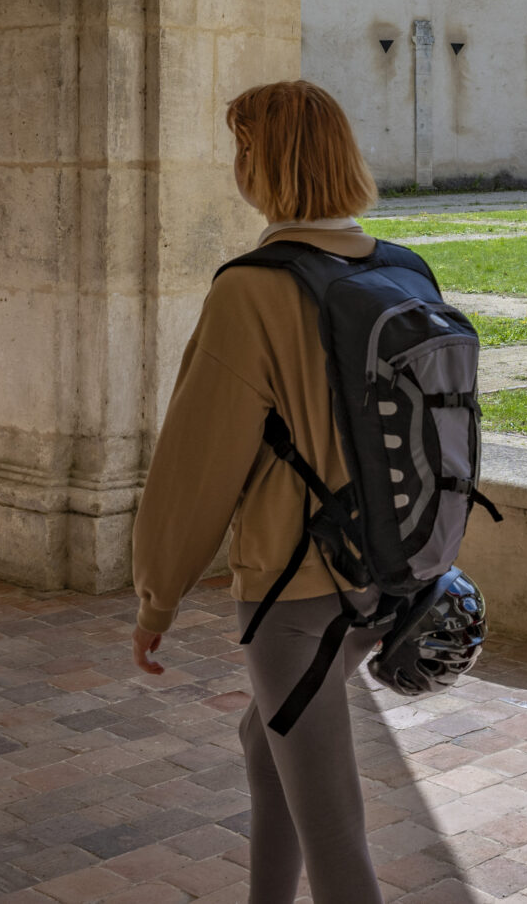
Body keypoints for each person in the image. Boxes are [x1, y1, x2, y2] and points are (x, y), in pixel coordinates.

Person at [129, 81, 391, 904]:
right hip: (389, 574)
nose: (235, 163)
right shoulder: (396, 268)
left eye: (242, 146)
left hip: (297, 588)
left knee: (336, 836)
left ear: (263, 165)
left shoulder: (253, 289)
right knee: (267, 736)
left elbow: (194, 464)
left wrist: (155, 596)